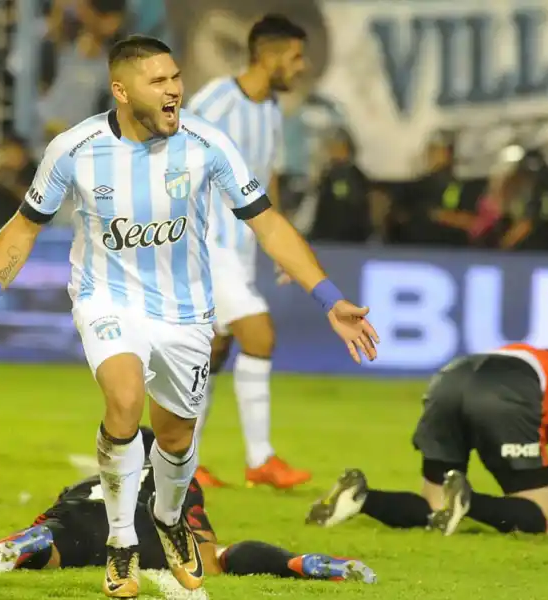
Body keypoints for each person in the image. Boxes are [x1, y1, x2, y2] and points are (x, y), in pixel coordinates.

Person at [0, 35, 378, 598]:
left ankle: (170, 518)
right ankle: (122, 540)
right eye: (159, 81)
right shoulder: (75, 149)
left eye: (175, 78)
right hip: (106, 299)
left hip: (185, 312)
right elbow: (24, 226)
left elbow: (268, 224)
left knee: (175, 438)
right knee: (124, 400)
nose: (174, 89)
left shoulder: (206, 144)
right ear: (122, 90)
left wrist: (329, 297)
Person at [307, 333, 548, 537]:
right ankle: (468, 502)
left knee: (434, 504)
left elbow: (541, 489)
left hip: (452, 376)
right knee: (540, 521)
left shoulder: (543, 359)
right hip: (510, 389)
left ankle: (362, 497)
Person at [0, 427, 377, 586]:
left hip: (82, 514)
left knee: (62, 545)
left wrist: (50, 527)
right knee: (215, 557)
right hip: (146, 525)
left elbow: (59, 508)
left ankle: (34, 544)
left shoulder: (90, 476)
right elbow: (201, 540)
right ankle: (296, 562)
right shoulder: (178, 476)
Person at [185, 14, 311, 490]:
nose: (301, 67)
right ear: (271, 55)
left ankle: (183, 461)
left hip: (239, 248)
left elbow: (266, 176)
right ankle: (261, 460)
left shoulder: (272, 109)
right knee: (259, 334)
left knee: (215, 349)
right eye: (297, 56)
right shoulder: (217, 99)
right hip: (204, 242)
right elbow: (171, 152)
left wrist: (278, 243)